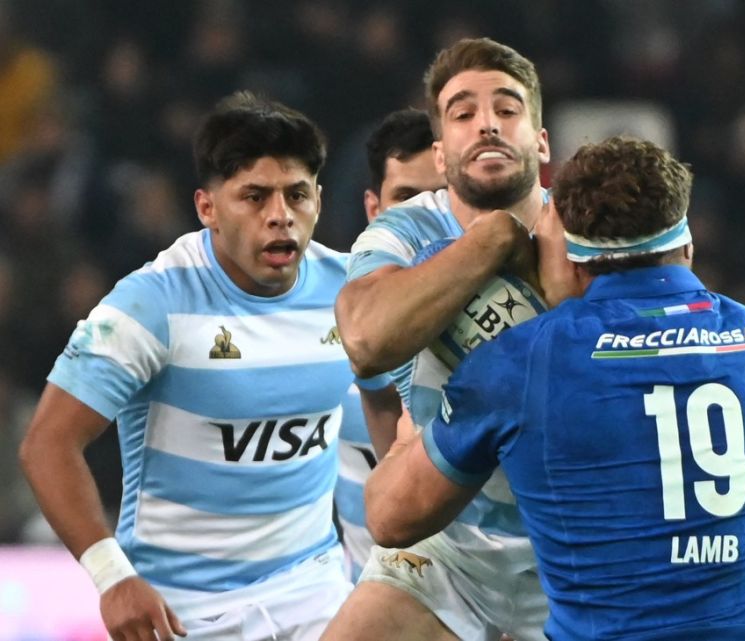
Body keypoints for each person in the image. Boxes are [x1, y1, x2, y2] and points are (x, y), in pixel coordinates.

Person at [364, 136, 745, 641]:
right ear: (688, 245)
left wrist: (405, 437)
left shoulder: (525, 360)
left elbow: (390, 520)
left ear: (568, 257)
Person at [19, 91, 355, 641]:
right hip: (184, 610)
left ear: (319, 199)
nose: (280, 216)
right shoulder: (150, 303)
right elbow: (47, 444)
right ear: (207, 208)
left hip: (315, 592)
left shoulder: (350, 291)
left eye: (297, 195)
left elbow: (400, 418)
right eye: (254, 196)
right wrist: (113, 579)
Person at [323, 38, 553, 641]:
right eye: (463, 113)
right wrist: (494, 238)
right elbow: (369, 342)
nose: (487, 125)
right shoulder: (403, 230)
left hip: (569, 551)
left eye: (507, 109)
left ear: (542, 140)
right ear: (441, 155)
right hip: (446, 557)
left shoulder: (583, 233)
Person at [336, 107, 445, 579]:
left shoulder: (514, 319)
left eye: (441, 197)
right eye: (407, 198)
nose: (423, 215)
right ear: (373, 210)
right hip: (378, 597)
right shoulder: (327, 319)